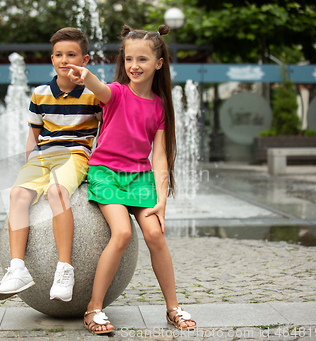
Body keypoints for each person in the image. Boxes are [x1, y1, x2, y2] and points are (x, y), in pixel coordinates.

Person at [67, 24, 196, 333]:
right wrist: (85, 77)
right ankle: (93, 309)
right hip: (106, 175)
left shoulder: (160, 106)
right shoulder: (117, 93)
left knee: (155, 234)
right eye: (128, 59)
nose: (134, 66)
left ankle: (172, 307)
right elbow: (101, 89)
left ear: (159, 63)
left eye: (142, 60)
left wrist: (161, 200)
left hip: (139, 179)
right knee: (122, 233)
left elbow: (161, 156)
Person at [0, 27, 101, 303]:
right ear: (52, 59)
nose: (64, 60)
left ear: (85, 60)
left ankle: (65, 269)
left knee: (56, 192)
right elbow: (33, 136)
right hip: (43, 156)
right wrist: (30, 165)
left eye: (72, 55)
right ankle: (17, 269)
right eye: (59, 55)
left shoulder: (94, 93)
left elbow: (107, 130)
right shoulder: (40, 94)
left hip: (76, 155)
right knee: (17, 194)